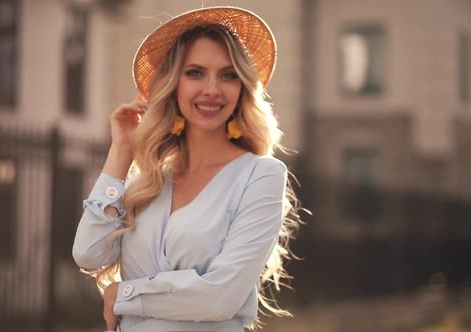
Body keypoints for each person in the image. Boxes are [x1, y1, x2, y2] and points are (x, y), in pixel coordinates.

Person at [72, 6, 302, 332]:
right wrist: (122, 152)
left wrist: (125, 293)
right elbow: (88, 254)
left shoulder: (261, 175)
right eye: (195, 72)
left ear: (241, 89)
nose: (212, 88)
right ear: (173, 84)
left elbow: (221, 297)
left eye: (228, 75)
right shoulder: (147, 182)